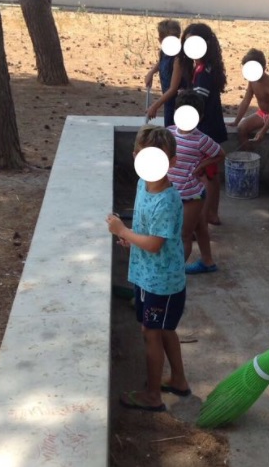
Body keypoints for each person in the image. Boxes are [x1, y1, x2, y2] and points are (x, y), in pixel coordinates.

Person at [106, 125, 190, 412]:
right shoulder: (143, 184)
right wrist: (131, 241)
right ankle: (178, 380)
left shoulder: (167, 200)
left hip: (162, 283)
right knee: (163, 330)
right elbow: (148, 233)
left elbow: (154, 243)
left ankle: (153, 396)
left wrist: (124, 231)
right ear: (135, 157)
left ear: (173, 162)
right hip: (145, 275)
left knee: (151, 332)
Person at [167, 90, 225, 274]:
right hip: (175, 192)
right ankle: (207, 261)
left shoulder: (201, 140)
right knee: (200, 227)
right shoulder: (169, 133)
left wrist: (202, 164)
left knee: (184, 235)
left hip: (191, 195)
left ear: (199, 117)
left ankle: (173, 273)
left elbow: (220, 154)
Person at [228, 48, 269, 194]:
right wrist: (236, 121)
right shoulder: (252, 82)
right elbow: (246, 101)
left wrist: (263, 131)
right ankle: (250, 164)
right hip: (262, 113)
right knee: (242, 129)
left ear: (263, 68)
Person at [180, 22, 227, 225]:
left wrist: (185, 96)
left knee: (205, 175)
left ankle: (204, 216)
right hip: (212, 127)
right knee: (211, 175)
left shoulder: (202, 72)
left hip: (205, 129)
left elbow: (199, 101)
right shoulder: (206, 67)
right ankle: (211, 214)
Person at [145, 19, 187, 127]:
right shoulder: (165, 51)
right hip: (168, 101)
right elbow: (161, 61)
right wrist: (152, 72)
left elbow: (173, 89)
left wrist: (155, 106)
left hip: (177, 103)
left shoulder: (178, 58)